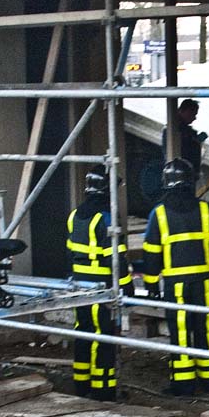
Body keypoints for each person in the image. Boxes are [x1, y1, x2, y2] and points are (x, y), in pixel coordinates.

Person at [143, 158, 209, 396]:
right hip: (205, 282)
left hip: (175, 284)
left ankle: (183, 384)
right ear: (191, 181)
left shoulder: (158, 214)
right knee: (206, 329)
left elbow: (151, 254)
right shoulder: (205, 209)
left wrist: (151, 284)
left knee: (180, 332)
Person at [66, 165, 133, 402]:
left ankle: (81, 385)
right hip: (100, 288)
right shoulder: (104, 218)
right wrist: (126, 286)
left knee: (82, 333)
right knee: (102, 338)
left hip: (78, 288)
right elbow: (116, 258)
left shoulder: (75, 215)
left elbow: (71, 251)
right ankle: (103, 389)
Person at [161, 99, 208, 180]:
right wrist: (195, 141)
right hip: (181, 174)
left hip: (187, 173)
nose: (194, 118)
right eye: (192, 114)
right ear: (182, 111)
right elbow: (185, 150)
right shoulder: (173, 130)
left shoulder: (186, 131)